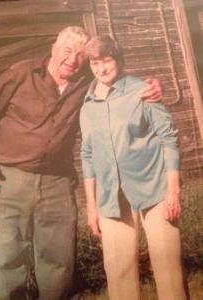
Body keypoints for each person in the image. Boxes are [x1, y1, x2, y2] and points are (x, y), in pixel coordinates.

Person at [0, 27, 162, 300]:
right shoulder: (21, 73)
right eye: (67, 51)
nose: (73, 59)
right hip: (5, 179)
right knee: (3, 261)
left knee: (58, 263)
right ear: (54, 48)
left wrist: (149, 85)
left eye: (81, 55)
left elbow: (118, 83)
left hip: (56, 183)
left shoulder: (86, 85)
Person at [80, 35, 187, 300]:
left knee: (169, 270)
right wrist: (92, 205)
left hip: (155, 192)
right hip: (111, 199)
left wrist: (173, 192)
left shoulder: (143, 90)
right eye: (95, 62)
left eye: (107, 61)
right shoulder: (87, 105)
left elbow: (169, 140)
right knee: (118, 274)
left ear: (118, 60)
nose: (102, 69)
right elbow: (88, 154)